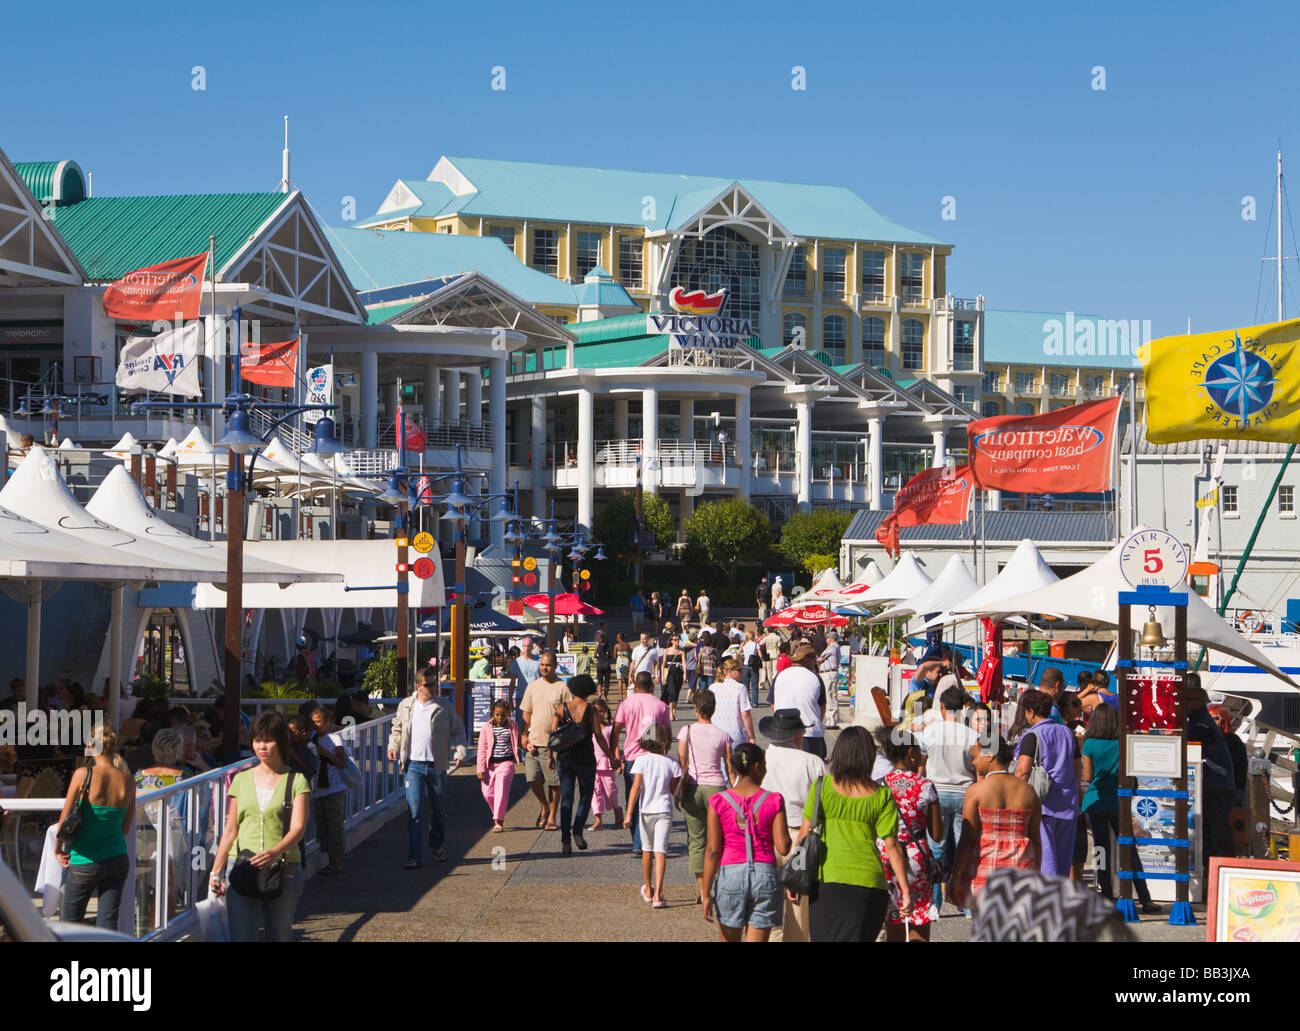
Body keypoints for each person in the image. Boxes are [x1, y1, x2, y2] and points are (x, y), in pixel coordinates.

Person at [792, 726, 910, 942]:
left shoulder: (823, 786)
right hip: (870, 883)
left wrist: (795, 877)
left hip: (828, 880)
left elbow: (804, 832)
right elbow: (892, 846)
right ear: (868, 756)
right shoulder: (882, 795)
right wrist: (904, 888)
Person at [210, 712, 312, 942]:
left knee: (278, 934)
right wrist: (216, 870)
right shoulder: (240, 779)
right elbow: (230, 829)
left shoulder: (296, 781)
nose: (261, 747)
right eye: (257, 740)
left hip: (285, 867)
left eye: (268, 740)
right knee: (241, 935)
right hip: (243, 866)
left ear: (281, 742)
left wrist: (275, 851)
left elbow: (298, 828)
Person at [701, 744, 791, 941]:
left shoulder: (719, 801)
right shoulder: (774, 800)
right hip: (765, 875)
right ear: (758, 766)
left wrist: (706, 892)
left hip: (730, 874)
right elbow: (783, 847)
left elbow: (712, 851)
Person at [948, 733, 1041, 910]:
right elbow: (1036, 841)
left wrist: (955, 876)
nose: (972, 763)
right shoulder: (1029, 792)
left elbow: (967, 839)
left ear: (990, 755)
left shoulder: (976, 791)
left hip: (984, 872)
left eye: (975, 757)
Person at [1081, 703, 1159, 913]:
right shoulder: (1123, 743)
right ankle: (1145, 898)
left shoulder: (1089, 744)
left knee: (1100, 848)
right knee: (1129, 849)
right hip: (1119, 802)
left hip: (1095, 800)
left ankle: (1105, 893)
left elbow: (1088, 777)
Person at [387, 668, 468, 868]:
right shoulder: (406, 705)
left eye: (434, 684)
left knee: (439, 810)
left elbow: (458, 730)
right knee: (414, 811)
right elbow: (397, 728)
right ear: (418, 686)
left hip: (437, 764)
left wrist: (459, 751)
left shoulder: (444, 706)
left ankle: (437, 844)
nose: (432, 688)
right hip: (412, 764)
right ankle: (415, 857)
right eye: (428, 684)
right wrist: (393, 745)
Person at [56, 724, 135, 929]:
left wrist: (58, 850)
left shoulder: (83, 774)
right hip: (117, 857)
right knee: (108, 925)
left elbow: (64, 820)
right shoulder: (128, 780)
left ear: (91, 745)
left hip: (85, 858)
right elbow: (125, 828)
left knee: (69, 926)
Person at [759, 708, 826, 941]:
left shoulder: (762, 759)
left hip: (765, 834)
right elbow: (820, 805)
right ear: (798, 734)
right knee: (798, 907)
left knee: (766, 903)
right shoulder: (813, 762)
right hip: (801, 836)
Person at [877, 731, 944, 940]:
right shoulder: (925, 786)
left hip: (886, 857)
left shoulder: (879, 785)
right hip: (917, 858)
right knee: (919, 922)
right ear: (910, 753)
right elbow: (937, 834)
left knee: (893, 925)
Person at [1011, 688, 1080, 877]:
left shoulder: (1032, 736)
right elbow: (1077, 769)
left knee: (1045, 860)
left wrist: (1013, 801)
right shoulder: (1068, 733)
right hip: (1068, 804)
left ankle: (1046, 902)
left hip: (1043, 806)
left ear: (1031, 711)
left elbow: (1023, 770)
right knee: (1063, 862)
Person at [920, 685, 978, 907]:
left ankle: (934, 904)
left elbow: (922, 764)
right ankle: (963, 902)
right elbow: (976, 768)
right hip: (965, 794)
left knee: (936, 850)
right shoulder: (972, 735)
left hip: (936, 794)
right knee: (964, 849)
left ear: (942, 707)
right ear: (963, 708)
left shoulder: (930, 732)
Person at [677, 688, 732, 905]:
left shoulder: (686, 731)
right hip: (717, 788)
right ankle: (717, 882)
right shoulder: (723, 734)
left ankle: (703, 889)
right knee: (718, 839)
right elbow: (729, 766)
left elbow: (682, 761)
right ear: (714, 709)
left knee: (697, 840)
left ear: (696, 709)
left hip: (693, 785)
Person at [551, 673, 615, 855]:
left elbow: (553, 734)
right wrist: (610, 756)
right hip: (586, 758)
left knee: (567, 797)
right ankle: (577, 830)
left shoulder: (561, 708)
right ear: (588, 690)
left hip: (565, 757)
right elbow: (599, 736)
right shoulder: (592, 710)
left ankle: (565, 839)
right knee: (586, 796)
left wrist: (550, 755)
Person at [612, 671, 671, 854]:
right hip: (654, 755)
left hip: (631, 757)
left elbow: (616, 729)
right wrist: (665, 752)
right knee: (649, 797)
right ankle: (641, 840)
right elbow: (667, 733)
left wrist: (615, 752)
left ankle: (638, 841)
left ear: (635, 685)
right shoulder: (661, 706)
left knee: (633, 797)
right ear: (652, 685)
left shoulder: (626, 703)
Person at [623, 722, 681, 908]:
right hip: (663, 809)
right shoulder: (671, 762)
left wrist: (628, 813)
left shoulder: (641, 761)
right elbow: (675, 790)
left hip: (645, 810)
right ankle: (659, 893)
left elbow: (636, 787)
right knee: (661, 851)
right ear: (664, 741)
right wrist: (681, 801)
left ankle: (648, 888)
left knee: (647, 851)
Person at [519, 650, 573, 832]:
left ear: (555, 666)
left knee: (554, 783)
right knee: (532, 779)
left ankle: (551, 816)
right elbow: (526, 714)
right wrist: (524, 736)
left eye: (548, 665)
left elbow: (570, 714)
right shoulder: (532, 687)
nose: (544, 668)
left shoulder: (562, 687)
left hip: (554, 744)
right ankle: (544, 805)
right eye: (542, 664)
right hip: (534, 742)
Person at [1185, 681, 1237, 863]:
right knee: (1209, 831)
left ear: (1199, 702)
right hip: (1214, 784)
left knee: (1219, 831)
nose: (1183, 703)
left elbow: (1190, 741)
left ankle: (1228, 867)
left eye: (1187, 699)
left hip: (1216, 785)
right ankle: (1212, 868)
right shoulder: (1198, 721)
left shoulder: (1202, 724)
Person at [304, 702, 348, 876]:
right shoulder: (311, 741)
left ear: (328, 722)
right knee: (322, 824)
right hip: (318, 789)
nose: (315, 726)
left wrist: (324, 752)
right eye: (312, 722)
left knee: (334, 824)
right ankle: (329, 860)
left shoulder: (335, 739)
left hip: (334, 788)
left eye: (319, 722)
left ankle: (336, 862)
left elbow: (341, 762)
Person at [773, 643, 827, 758]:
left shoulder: (779, 676)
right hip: (810, 732)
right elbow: (822, 708)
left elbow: (773, 705)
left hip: (784, 732)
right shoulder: (815, 678)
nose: (815, 662)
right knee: (813, 773)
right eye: (813, 658)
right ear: (806, 660)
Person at [476, 699, 518, 832]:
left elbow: (517, 742)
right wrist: (480, 768)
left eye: (504, 715)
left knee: (501, 791)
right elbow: (482, 748)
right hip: (490, 764)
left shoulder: (512, 726)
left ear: (508, 714)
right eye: (497, 714)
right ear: (493, 714)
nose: (500, 718)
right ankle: (497, 812)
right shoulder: (487, 727)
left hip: (506, 763)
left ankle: (498, 820)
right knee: (487, 793)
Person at [587, 698, 623, 831]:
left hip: (607, 764)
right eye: (595, 712)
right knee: (594, 792)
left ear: (605, 711)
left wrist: (618, 761)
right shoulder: (588, 730)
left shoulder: (609, 728)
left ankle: (618, 813)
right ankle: (598, 820)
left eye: (601, 711)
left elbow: (615, 746)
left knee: (610, 791)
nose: (599, 714)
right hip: (592, 765)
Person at [1209, 703, 1249, 807]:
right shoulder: (1210, 739)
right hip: (1215, 790)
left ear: (1224, 721)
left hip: (1231, 791)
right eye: (1210, 718)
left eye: (1216, 718)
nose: (1212, 721)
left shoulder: (1232, 741)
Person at [711, 658, 756, 748]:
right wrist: (751, 735)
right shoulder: (740, 688)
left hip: (716, 733)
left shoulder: (713, 687)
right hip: (735, 734)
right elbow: (746, 714)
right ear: (730, 672)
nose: (742, 673)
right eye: (739, 670)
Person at [506, 636, 541, 734]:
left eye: (529, 646)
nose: (527, 648)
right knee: (521, 726)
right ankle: (521, 747)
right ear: (522, 647)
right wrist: (510, 700)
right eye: (525, 646)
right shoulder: (516, 662)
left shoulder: (539, 661)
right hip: (521, 697)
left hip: (536, 698)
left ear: (532, 647)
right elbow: (512, 682)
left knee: (536, 724)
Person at [659, 633, 686, 720]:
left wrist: (685, 673)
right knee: (672, 692)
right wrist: (662, 676)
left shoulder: (681, 652)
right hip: (670, 673)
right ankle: (670, 713)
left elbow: (684, 663)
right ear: (671, 641)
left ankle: (673, 713)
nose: (677, 641)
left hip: (678, 673)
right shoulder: (666, 651)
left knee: (677, 692)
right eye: (675, 639)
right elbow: (663, 664)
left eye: (678, 639)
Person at [819, 633, 842, 729]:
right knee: (830, 696)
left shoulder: (832, 647)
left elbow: (821, 658)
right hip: (829, 673)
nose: (826, 640)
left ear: (830, 639)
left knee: (830, 696)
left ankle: (832, 721)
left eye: (827, 638)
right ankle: (830, 720)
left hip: (829, 673)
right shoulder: (835, 647)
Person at [740, 629, 762, 706]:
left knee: (745, 684)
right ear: (753, 637)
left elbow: (738, 653)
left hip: (746, 664)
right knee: (754, 684)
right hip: (754, 665)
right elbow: (760, 655)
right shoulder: (756, 644)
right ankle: (755, 702)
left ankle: (746, 700)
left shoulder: (743, 644)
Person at [595, 632, 614, 700]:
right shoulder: (608, 647)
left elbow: (594, 655)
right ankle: (605, 697)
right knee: (606, 682)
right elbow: (612, 656)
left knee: (600, 681)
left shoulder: (598, 646)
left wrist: (598, 658)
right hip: (607, 665)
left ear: (600, 639)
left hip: (599, 665)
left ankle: (600, 693)